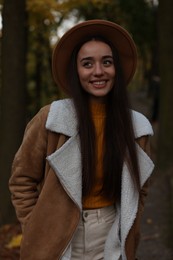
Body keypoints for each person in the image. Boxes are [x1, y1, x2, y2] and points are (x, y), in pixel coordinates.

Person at [9, 20, 154, 260]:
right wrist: (34, 225)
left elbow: (141, 188)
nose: (98, 71)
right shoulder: (51, 119)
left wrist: (129, 229)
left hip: (110, 234)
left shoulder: (137, 128)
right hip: (56, 234)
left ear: (115, 67)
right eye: (87, 64)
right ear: (76, 71)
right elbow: (21, 178)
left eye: (107, 62)